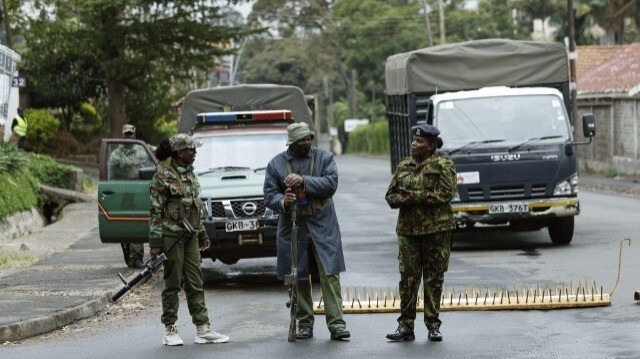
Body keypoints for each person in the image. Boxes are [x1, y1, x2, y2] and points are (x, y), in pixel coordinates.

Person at [263, 122, 350, 341]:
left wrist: (304, 181)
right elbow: (268, 195)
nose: (306, 143)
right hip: (293, 225)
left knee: (329, 274)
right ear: (291, 143)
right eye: (301, 140)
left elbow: (331, 184)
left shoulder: (325, 158)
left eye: (308, 138)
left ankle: (337, 324)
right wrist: (283, 201)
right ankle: (304, 323)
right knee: (298, 274)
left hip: (323, 222)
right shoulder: (276, 164)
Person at [149, 133, 229, 346]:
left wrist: (202, 233)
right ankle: (170, 329)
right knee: (173, 283)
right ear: (178, 152)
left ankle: (203, 329)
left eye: (195, 149)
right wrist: (156, 243)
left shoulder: (191, 175)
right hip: (171, 236)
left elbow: (196, 207)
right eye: (190, 150)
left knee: (196, 282)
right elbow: (155, 211)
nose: (194, 153)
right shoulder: (163, 176)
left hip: (191, 236)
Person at [384, 124, 456, 343]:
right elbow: (390, 196)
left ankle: (433, 325)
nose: (414, 144)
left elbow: (446, 194)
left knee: (434, 278)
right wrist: (401, 199)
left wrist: (415, 197)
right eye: (413, 140)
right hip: (408, 231)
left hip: (437, 230)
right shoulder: (404, 165)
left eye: (419, 141)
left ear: (431, 145)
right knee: (408, 278)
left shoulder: (444, 165)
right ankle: (405, 326)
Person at [107, 124, 148, 269]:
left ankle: (137, 257)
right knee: (124, 227)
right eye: (126, 135)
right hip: (122, 191)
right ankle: (129, 254)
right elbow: (111, 176)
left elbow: (155, 156)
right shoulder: (116, 155)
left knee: (136, 224)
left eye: (130, 134)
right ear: (122, 136)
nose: (128, 137)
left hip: (139, 190)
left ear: (134, 136)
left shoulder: (142, 151)